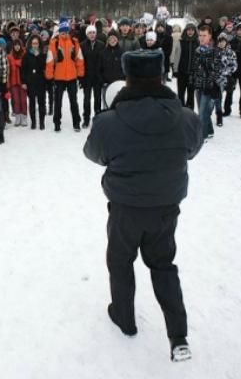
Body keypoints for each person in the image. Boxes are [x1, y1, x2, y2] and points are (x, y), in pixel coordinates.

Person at [83, 47, 203, 363]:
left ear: (128, 79)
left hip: (125, 207)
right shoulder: (186, 117)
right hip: (166, 207)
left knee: (121, 261)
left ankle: (125, 317)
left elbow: (94, 154)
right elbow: (192, 149)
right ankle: (178, 336)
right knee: (163, 265)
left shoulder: (108, 121)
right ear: (161, 76)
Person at [45, 19, 85, 132]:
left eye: (66, 31)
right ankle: (57, 123)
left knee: (74, 101)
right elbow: (50, 60)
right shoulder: (54, 42)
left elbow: (79, 59)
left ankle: (76, 122)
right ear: (59, 31)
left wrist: (80, 73)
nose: (64, 33)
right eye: (62, 31)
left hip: (72, 77)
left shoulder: (74, 42)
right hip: (59, 78)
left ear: (69, 31)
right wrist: (50, 75)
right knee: (58, 102)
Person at [193, 26, 223, 139]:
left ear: (210, 36)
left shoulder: (215, 51)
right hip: (198, 85)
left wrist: (209, 84)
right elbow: (195, 68)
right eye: (200, 35)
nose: (201, 38)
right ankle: (209, 130)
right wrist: (194, 79)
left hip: (209, 87)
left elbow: (217, 70)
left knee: (202, 113)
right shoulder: (197, 50)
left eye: (204, 35)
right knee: (203, 110)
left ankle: (202, 136)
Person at [80, 25, 105, 128]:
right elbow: (80, 62)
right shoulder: (82, 45)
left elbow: (103, 61)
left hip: (97, 77)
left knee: (97, 99)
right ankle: (86, 119)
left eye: (93, 32)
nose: (92, 34)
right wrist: (81, 77)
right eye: (90, 33)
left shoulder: (101, 45)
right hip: (86, 77)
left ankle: (97, 118)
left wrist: (102, 76)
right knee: (86, 99)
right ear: (87, 34)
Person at [22, 34, 47, 130]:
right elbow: (23, 69)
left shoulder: (42, 54)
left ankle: (42, 122)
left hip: (41, 82)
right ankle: (33, 122)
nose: (35, 45)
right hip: (30, 82)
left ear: (39, 44)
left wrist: (38, 56)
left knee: (42, 102)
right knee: (32, 103)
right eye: (33, 43)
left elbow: (44, 67)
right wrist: (23, 82)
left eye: (36, 43)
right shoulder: (26, 55)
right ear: (30, 44)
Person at [214, 33, 238, 127]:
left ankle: (223, 114)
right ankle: (216, 115)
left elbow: (234, 66)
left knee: (227, 95)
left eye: (223, 41)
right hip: (215, 78)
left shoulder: (231, 52)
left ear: (226, 42)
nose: (221, 43)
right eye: (220, 41)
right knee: (216, 98)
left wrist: (225, 72)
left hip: (226, 78)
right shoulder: (214, 51)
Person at [173, 24, 198, 109]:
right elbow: (176, 56)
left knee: (191, 94)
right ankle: (181, 111)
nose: (190, 32)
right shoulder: (181, 41)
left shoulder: (197, 42)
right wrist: (175, 69)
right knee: (181, 93)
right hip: (181, 72)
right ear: (185, 31)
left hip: (193, 73)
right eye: (188, 30)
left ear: (194, 31)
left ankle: (190, 112)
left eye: (192, 30)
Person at [8, 38, 28, 127]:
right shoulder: (9, 56)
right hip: (13, 81)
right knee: (16, 100)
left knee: (23, 100)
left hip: (22, 81)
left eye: (18, 45)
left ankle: (24, 116)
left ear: (21, 46)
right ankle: (17, 116)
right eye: (15, 45)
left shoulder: (25, 55)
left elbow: (27, 68)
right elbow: (8, 70)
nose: (17, 47)